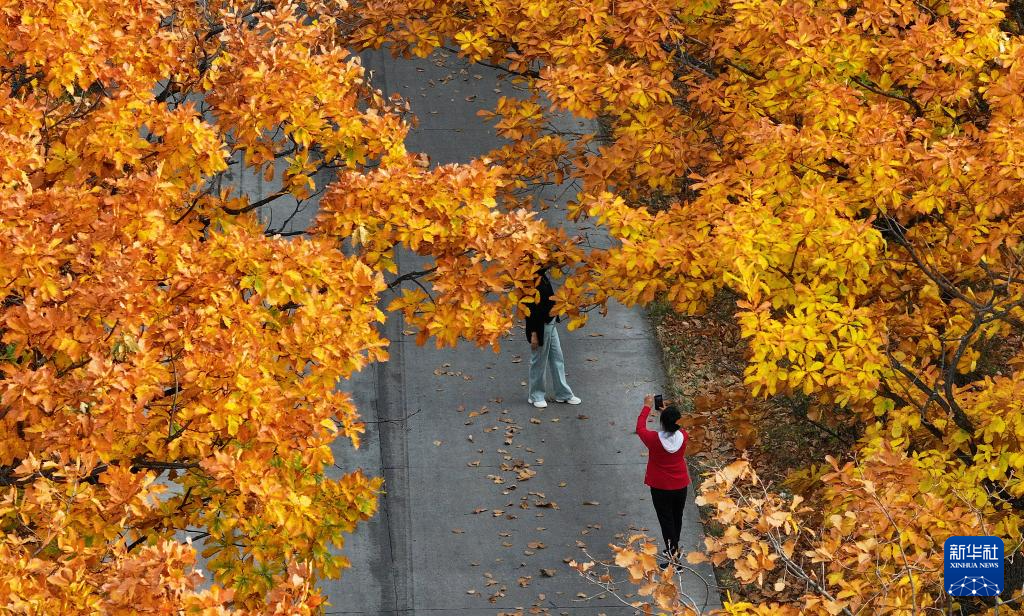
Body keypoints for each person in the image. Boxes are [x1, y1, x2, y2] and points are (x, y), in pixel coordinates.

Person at [636, 394, 690, 567]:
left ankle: (673, 556)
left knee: (666, 520)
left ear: (662, 423)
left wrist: (646, 406)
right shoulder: (683, 436)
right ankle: (674, 549)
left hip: (660, 486)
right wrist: (665, 411)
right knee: (677, 517)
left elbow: (640, 428)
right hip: (680, 484)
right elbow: (676, 423)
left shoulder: (653, 440)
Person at [524, 266, 580, 409]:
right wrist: (534, 334)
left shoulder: (542, 276)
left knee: (557, 358)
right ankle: (535, 395)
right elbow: (529, 311)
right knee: (539, 361)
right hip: (540, 326)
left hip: (551, 322)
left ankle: (563, 394)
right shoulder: (529, 280)